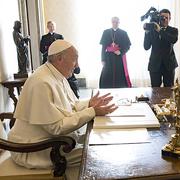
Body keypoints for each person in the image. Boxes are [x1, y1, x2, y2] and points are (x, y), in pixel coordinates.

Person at [8, 40, 117, 179]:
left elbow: (71, 106)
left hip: (51, 140)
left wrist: (89, 103)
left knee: (100, 143)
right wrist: (93, 111)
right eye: (75, 60)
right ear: (60, 59)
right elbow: (56, 128)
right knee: (95, 154)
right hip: (34, 148)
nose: (77, 65)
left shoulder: (57, 74)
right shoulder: (41, 82)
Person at [40, 21, 80, 98]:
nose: (51, 27)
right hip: (48, 58)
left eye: (53, 25)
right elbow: (42, 49)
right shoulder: (43, 82)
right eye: (50, 26)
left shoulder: (59, 36)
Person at [143, 9, 178, 87]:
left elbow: (173, 40)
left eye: (166, 17)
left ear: (170, 18)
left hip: (169, 65)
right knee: (155, 90)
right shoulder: (152, 31)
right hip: (154, 65)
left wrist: (160, 30)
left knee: (169, 89)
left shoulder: (173, 30)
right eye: (162, 17)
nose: (164, 19)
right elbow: (146, 47)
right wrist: (146, 32)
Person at [99, 16, 132, 88]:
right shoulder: (106, 32)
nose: (115, 23)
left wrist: (120, 51)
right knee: (106, 74)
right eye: (113, 22)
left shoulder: (123, 33)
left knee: (119, 74)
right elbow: (103, 47)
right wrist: (102, 59)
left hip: (119, 58)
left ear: (119, 23)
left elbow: (127, 46)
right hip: (108, 58)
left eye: (117, 22)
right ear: (111, 22)